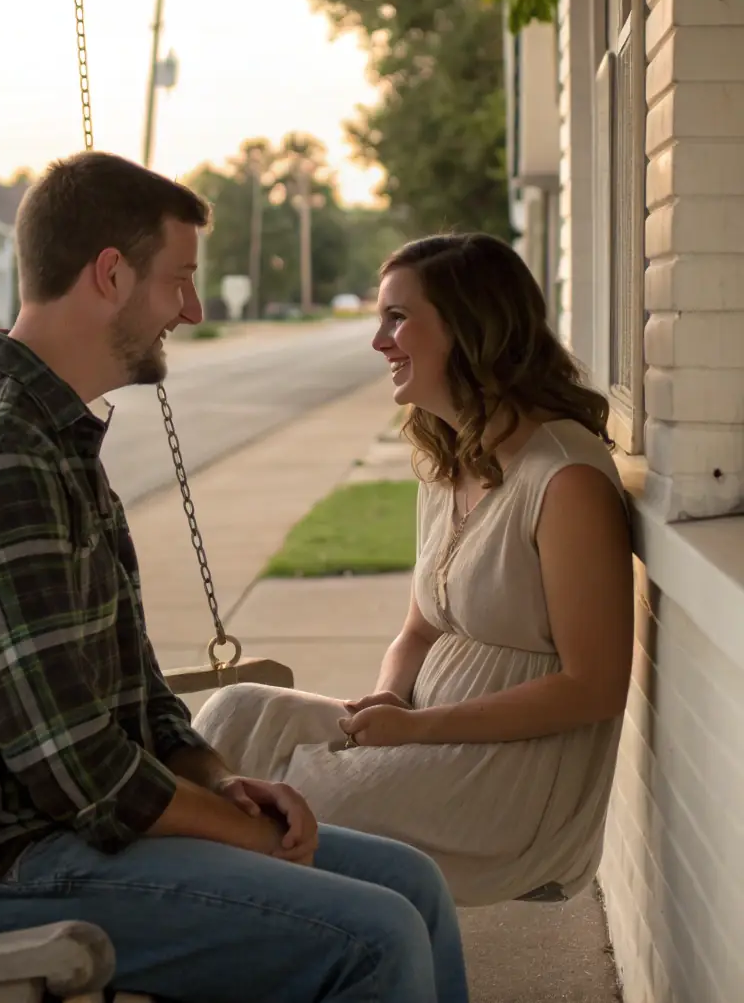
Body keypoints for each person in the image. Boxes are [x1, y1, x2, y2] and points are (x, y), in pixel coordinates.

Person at [0, 152, 469, 1003]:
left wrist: (222, 783)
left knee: (414, 887)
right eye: (179, 280)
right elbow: (78, 770)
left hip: (68, 840)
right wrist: (239, 834)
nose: (194, 308)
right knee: (375, 936)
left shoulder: (53, 441)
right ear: (110, 274)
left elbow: (138, 699)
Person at [196, 232, 634, 908]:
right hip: (426, 733)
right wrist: (392, 698)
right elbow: (418, 630)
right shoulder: (452, 460)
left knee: (281, 809)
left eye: (397, 317)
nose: (379, 340)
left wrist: (418, 730)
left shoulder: (564, 478)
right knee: (237, 714)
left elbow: (595, 686)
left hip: (511, 783)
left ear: (469, 327)